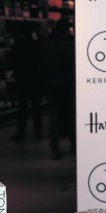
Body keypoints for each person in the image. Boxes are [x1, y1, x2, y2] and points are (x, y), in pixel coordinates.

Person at [44, 17, 75, 160]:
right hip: (69, 84)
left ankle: (54, 149)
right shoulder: (72, 44)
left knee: (54, 117)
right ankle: (74, 145)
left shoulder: (49, 44)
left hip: (52, 84)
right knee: (71, 116)